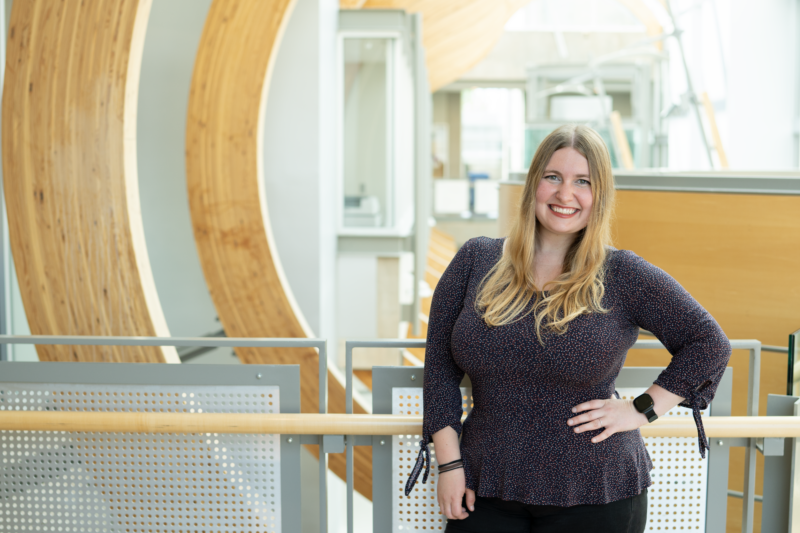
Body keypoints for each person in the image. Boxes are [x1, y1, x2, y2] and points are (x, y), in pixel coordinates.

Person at [404, 124, 731, 532]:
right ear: (533, 184)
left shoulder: (622, 273)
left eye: (583, 182)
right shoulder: (475, 260)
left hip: (597, 489)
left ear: (600, 196)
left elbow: (709, 342)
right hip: (485, 481)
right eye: (553, 177)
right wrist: (449, 462)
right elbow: (438, 367)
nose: (565, 194)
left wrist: (640, 410)